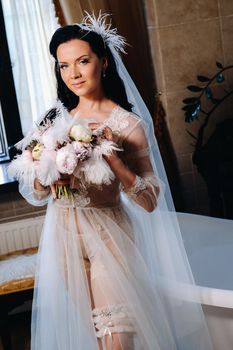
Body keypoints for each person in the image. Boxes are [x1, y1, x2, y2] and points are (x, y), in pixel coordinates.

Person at [15, 13, 213, 350]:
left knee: (117, 340)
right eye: (63, 66)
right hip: (63, 238)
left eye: (82, 61)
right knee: (91, 339)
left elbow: (149, 201)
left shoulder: (126, 124)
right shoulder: (52, 120)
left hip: (109, 234)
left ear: (103, 63)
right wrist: (48, 180)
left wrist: (115, 161)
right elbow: (33, 191)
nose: (73, 74)